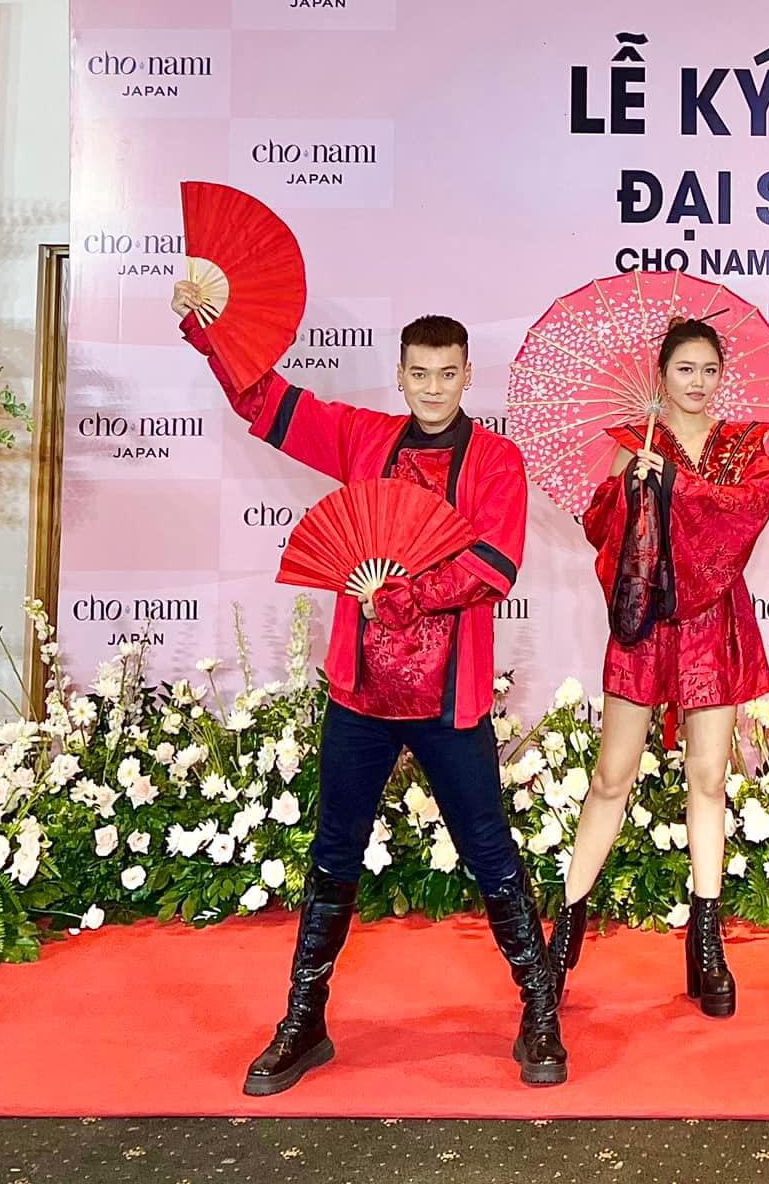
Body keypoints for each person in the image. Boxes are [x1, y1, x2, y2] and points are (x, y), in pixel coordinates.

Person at [169, 283, 565, 1092]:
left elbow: (495, 564)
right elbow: (266, 401)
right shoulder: (363, 437)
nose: (432, 388)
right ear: (400, 373)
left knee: (490, 852)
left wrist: (413, 593)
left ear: (467, 375)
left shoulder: (497, 460)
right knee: (333, 854)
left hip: (449, 700)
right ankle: (304, 1021)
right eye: (419, 373)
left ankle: (539, 1011)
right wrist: (212, 329)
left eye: (446, 374)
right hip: (360, 695)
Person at [546, 318, 769, 1017]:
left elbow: (747, 513)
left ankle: (706, 945)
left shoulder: (744, 449)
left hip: (713, 625)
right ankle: (563, 938)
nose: (698, 382)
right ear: (662, 376)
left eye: (709, 369)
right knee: (610, 777)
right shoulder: (634, 446)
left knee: (709, 780)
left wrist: (677, 485)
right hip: (646, 625)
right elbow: (602, 532)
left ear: (722, 375)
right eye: (685, 369)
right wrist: (631, 489)